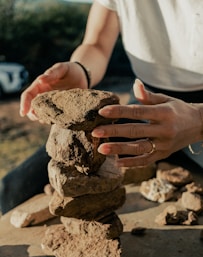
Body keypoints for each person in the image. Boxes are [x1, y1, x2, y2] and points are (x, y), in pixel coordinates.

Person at [1, 0, 203, 213]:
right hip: (146, 102)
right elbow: (96, 44)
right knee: (13, 190)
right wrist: (81, 71)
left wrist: (198, 121)